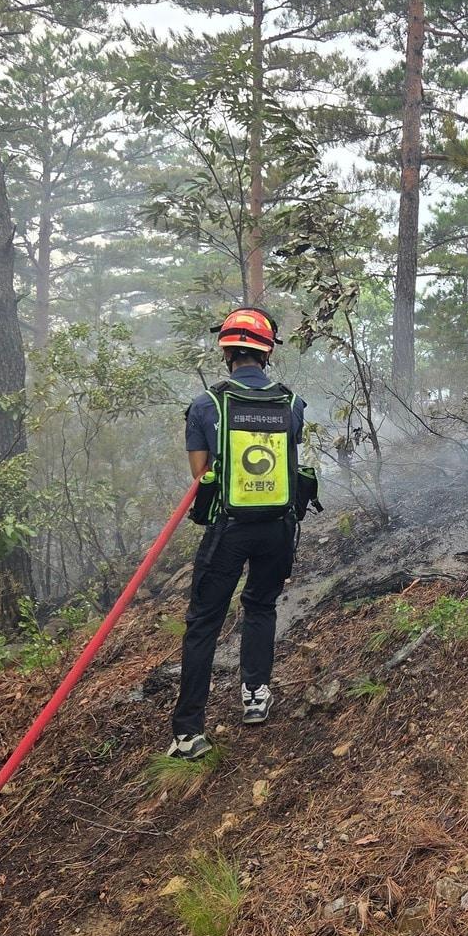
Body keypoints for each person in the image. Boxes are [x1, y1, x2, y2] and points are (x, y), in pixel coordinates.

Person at [167, 307, 307, 760]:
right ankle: (256, 697)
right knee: (261, 605)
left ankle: (189, 732)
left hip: (229, 529)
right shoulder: (291, 402)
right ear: (267, 352)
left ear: (226, 350)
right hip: (278, 528)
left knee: (204, 622)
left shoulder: (207, 404)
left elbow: (200, 476)